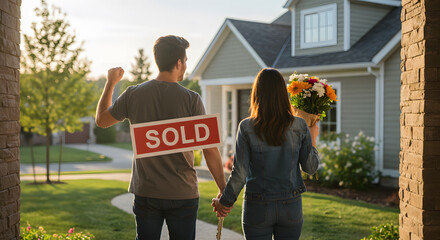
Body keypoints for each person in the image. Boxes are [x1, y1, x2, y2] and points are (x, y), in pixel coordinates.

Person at [95, 35, 228, 240]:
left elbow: (102, 120)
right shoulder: (192, 99)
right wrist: (222, 188)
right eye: (185, 62)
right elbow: (209, 149)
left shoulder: (133, 94)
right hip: (183, 193)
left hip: (146, 192)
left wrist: (110, 82)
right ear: (178, 63)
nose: (185, 66)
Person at [212, 68, 320, 240]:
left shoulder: (246, 127)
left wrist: (224, 203)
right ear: (283, 94)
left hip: (258, 206)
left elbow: (239, 173)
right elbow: (311, 168)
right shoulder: (300, 126)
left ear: (257, 94)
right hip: (290, 206)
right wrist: (313, 138)